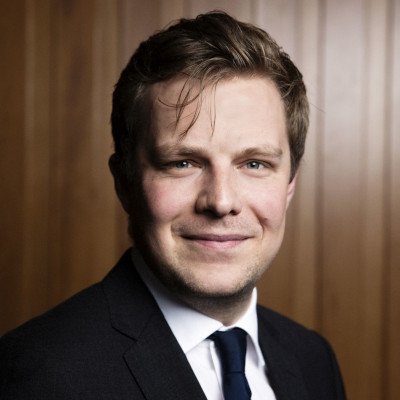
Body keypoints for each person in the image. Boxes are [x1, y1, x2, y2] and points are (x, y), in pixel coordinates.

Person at [0, 11, 346, 400]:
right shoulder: (42, 374)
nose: (221, 201)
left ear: (289, 184)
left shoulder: (313, 360)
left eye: (254, 164)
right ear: (124, 182)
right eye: (183, 163)